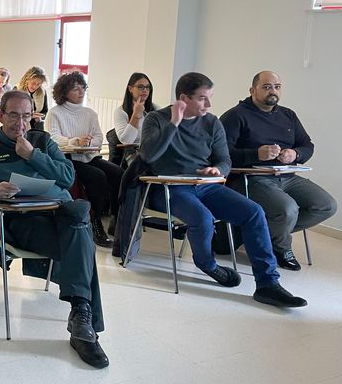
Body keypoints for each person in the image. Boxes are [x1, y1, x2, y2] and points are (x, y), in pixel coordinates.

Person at [0, 90, 108, 368]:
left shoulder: (41, 141)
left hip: (54, 214)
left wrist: (33, 156)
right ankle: (83, 322)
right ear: (1, 115)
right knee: (81, 239)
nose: (20, 123)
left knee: (77, 225)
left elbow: (67, 176)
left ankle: (81, 315)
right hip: (14, 221)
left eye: (27, 116)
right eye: (14, 115)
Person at [138, 72, 306, 308]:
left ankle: (268, 284)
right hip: (169, 187)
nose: (209, 104)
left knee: (254, 212)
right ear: (183, 98)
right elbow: (148, 154)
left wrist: (218, 169)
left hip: (206, 187)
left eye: (210, 98)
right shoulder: (157, 118)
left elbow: (225, 160)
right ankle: (208, 265)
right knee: (203, 219)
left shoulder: (212, 122)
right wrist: (173, 123)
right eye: (202, 99)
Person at [220, 70, 336, 270]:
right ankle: (281, 247)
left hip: (286, 176)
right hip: (250, 178)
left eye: (277, 87)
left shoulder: (288, 115)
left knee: (326, 205)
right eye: (266, 87)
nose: (272, 91)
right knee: (287, 209)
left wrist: (295, 154)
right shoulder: (235, 115)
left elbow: (307, 145)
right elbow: (221, 153)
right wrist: (255, 154)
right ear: (252, 90)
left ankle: (257, 234)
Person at [46, 71, 121, 247]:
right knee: (98, 177)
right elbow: (53, 138)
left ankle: (117, 220)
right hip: (67, 158)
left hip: (88, 155)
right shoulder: (55, 113)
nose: (80, 92)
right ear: (64, 92)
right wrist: (75, 141)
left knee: (118, 173)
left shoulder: (90, 113)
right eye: (75, 89)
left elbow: (98, 136)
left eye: (82, 88)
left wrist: (88, 142)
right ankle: (94, 222)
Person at [114, 72, 156, 146]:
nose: (145, 90)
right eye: (140, 87)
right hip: (134, 153)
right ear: (130, 89)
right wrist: (136, 115)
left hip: (154, 150)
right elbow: (126, 141)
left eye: (147, 87)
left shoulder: (156, 108)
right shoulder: (120, 112)